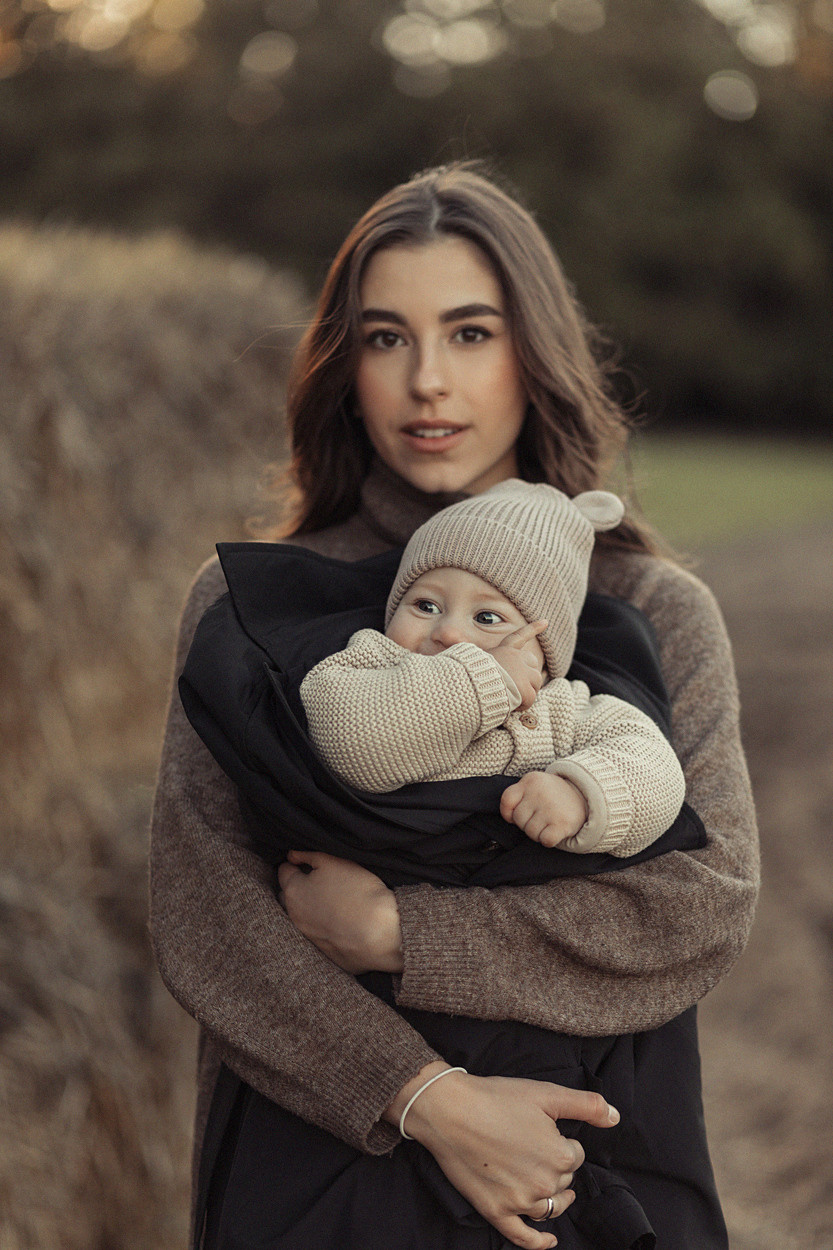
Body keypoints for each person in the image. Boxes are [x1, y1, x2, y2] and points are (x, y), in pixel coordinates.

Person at [149, 162, 759, 1250]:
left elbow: (699, 902)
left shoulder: (652, 608)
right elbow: (208, 919)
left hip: (590, 1155)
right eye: (386, 337)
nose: (427, 379)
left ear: (535, 353)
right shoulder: (249, 604)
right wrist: (425, 1095)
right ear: (346, 368)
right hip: (320, 1154)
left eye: (469, 333)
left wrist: (403, 932)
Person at [300, 479, 686, 857]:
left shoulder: (568, 710)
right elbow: (352, 746)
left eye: (486, 617)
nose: (448, 632)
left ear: (546, 653)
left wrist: (581, 793)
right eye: (425, 606)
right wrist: (482, 681)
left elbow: (655, 767)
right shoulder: (368, 661)